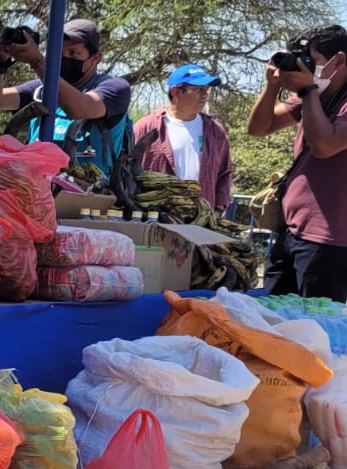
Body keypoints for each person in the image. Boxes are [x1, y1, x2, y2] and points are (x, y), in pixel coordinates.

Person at [247, 24, 347, 300]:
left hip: (329, 240)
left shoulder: (315, 95)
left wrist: (308, 92)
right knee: (274, 321)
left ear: (339, 61)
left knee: (316, 331)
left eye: (311, 62)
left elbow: (324, 146)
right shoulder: (313, 95)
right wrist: (272, 86)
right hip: (290, 231)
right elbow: (259, 128)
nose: (304, 69)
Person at [0, 19, 133, 176]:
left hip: (89, 195)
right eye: (59, 53)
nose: (65, 58)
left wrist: (37, 61)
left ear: (95, 58)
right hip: (37, 190)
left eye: (73, 53)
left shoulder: (115, 88)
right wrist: (0, 63)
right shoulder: (39, 89)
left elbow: (79, 108)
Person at [133, 64, 233, 213]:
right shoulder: (147, 127)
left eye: (207, 89)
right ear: (176, 91)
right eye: (198, 89)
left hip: (199, 221)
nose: (205, 95)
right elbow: (126, 169)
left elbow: (225, 173)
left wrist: (218, 208)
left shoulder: (215, 132)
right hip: (155, 216)